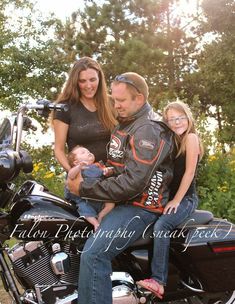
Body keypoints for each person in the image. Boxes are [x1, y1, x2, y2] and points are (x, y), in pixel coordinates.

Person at [67, 72, 175, 304]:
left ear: (139, 98)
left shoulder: (148, 129)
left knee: (94, 256)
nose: (115, 106)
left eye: (121, 101)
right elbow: (117, 168)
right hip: (123, 202)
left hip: (141, 206)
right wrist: (92, 175)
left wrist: (84, 189)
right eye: (114, 100)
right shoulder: (126, 125)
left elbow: (134, 182)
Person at [137, 100, 204, 299]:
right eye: (171, 119)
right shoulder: (172, 142)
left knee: (162, 226)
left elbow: (189, 173)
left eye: (180, 117)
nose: (176, 122)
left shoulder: (191, 138)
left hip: (186, 199)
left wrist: (176, 201)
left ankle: (159, 281)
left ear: (188, 117)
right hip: (168, 198)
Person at [52, 56, 116, 201]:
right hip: (83, 179)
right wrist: (74, 174)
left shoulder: (112, 103)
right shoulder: (65, 107)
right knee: (84, 219)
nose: (88, 85)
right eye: (82, 81)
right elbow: (59, 149)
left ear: (100, 79)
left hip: (112, 178)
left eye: (92, 80)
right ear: (75, 82)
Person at [67, 145, 115, 231]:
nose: (88, 152)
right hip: (85, 200)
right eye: (83, 152)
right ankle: (95, 224)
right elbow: (71, 175)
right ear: (76, 162)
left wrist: (108, 171)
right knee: (83, 209)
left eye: (88, 151)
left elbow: (110, 171)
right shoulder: (77, 169)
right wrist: (79, 167)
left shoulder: (98, 165)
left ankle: (101, 216)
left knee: (111, 204)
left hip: (100, 197)